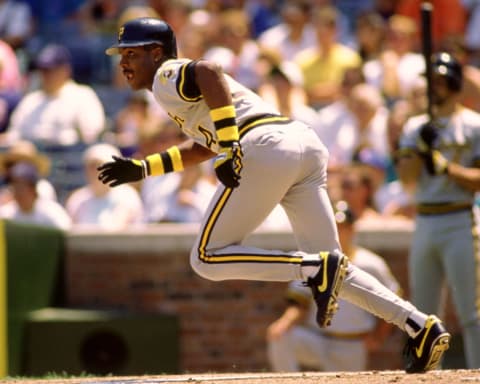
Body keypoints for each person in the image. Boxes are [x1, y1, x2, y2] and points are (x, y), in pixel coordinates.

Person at [97, 17, 451, 373]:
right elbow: (203, 146)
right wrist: (144, 168)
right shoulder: (175, 92)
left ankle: (310, 268)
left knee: (205, 258)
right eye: (122, 54)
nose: (123, 63)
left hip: (263, 146)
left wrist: (231, 145)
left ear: (156, 53)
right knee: (334, 266)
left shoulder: (165, 75)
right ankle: (419, 325)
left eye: (131, 53)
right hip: (300, 144)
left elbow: (208, 70)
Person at [396, 51, 480, 368]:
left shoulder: (473, 125)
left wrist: (446, 168)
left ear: (455, 83)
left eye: (442, 81)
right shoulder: (416, 126)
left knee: (471, 311)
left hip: (460, 219)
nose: (435, 88)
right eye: (432, 81)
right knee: (423, 309)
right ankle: (429, 372)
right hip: (426, 220)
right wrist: (421, 148)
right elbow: (407, 179)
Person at [267, 201, 399, 372]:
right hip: (318, 339)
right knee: (282, 337)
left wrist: (378, 336)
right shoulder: (313, 260)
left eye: (342, 227)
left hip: (352, 343)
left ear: (352, 229)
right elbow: (299, 302)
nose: (337, 232)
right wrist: (285, 322)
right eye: (333, 227)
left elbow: (392, 301)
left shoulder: (370, 263)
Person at [65, 142, 144, 230]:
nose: (95, 171)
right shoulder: (77, 199)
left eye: (100, 166)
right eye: (91, 166)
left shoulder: (128, 196)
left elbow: (118, 230)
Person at [0, 161, 71, 230]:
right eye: (14, 185)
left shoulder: (53, 212)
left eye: (20, 186)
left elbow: (67, 236)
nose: (17, 190)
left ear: (33, 189)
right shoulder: (5, 214)